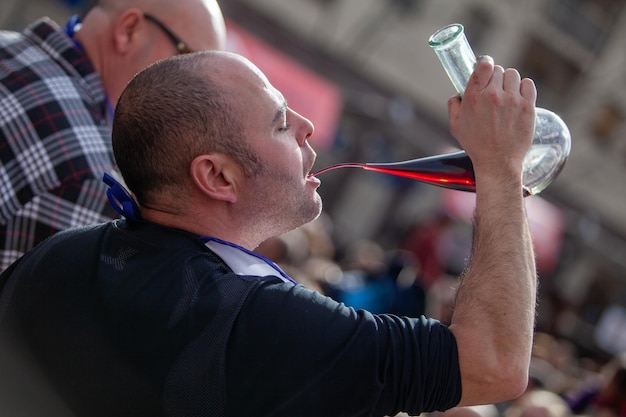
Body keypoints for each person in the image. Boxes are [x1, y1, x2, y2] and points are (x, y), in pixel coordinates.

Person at [0, 50, 538, 417]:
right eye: (280, 122)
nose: (306, 126)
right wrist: (500, 170)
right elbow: (492, 365)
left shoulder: (59, 255)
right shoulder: (250, 321)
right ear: (217, 177)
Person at [0, 0, 226, 271]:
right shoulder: (90, 179)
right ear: (128, 30)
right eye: (189, 63)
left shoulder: (9, 46)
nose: (195, 100)